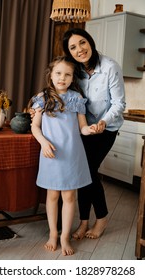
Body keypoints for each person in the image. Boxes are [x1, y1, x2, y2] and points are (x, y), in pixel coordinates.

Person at [62, 28, 126, 240]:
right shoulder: (74, 70)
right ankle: (83, 222)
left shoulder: (110, 67)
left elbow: (119, 104)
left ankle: (101, 219)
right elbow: (58, 85)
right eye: (73, 47)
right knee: (83, 173)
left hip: (107, 128)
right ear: (69, 52)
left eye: (82, 43)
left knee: (88, 171)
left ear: (90, 41)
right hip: (84, 128)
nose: (79, 49)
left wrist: (103, 122)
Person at [28, 56, 95, 256]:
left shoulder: (76, 98)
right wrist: (43, 142)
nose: (62, 78)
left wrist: (90, 130)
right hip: (51, 154)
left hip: (72, 154)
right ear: (51, 75)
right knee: (52, 195)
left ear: (73, 77)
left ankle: (65, 236)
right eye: (58, 73)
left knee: (69, 196)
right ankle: (53, 234)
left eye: (67, 74)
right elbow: (35, 126)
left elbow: (82, 127)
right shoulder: (42, 97)